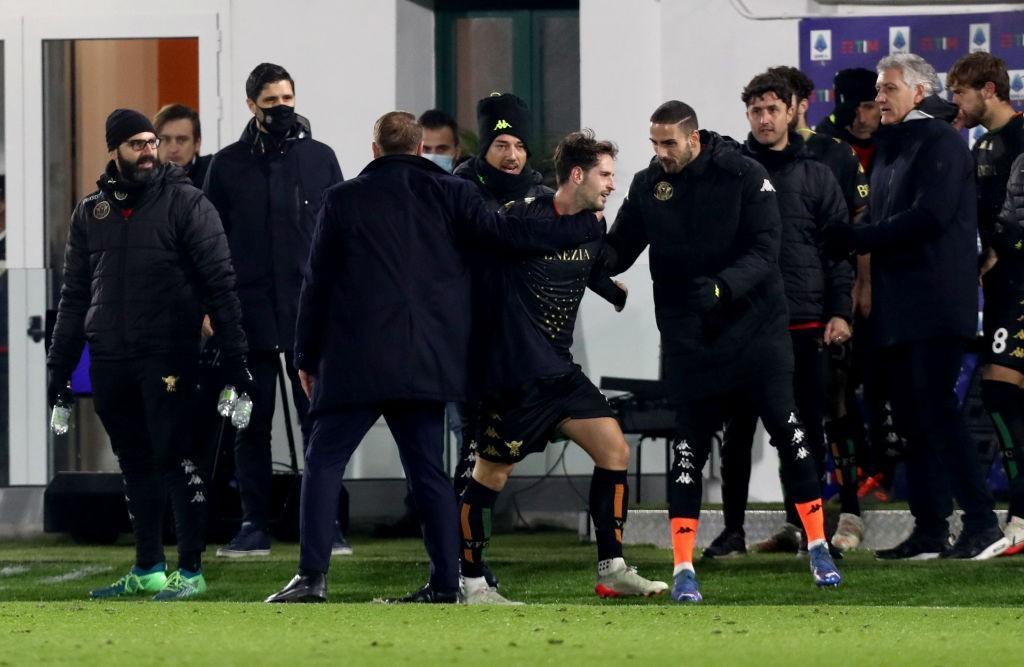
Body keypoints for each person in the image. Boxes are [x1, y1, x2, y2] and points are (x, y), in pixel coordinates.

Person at [264, 111, 605, 604]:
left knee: (323, 461)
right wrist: (579, 232)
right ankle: (447, 581)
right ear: (422, 148)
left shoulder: (343, 199)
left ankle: (311, 578)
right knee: (427, 471)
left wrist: (305, 355)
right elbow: (510, 239)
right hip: (425, 360)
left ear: (376, 149)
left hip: (354, 359)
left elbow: (315, 283)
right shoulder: (454, 194)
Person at [605, 101, 841, 603]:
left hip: (757, 330)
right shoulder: (651, 185)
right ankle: (684, 566)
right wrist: (581, 254)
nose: (661, 153)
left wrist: (722, 289)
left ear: (693, 139)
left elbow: (766, 248)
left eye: (669, 143)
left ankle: (818, 543)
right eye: (655, 144)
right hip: (691, 338)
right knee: (687, 444)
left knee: (788, 426)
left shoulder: (743, 173)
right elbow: (621, 246)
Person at [47, 109, 251, 600]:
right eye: (137, 143)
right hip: (111, 357)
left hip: (169, 354)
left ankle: (192, 570)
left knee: (177, 457)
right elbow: (75, 296)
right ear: (114, 149)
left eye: (151, 142)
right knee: (134, 460)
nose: (148, 151)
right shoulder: (90, 211)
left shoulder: (186, 202)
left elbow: (221, 283)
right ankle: (148, 567)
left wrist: (236, 358)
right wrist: (60, 370)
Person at [458, 130, 668, 604]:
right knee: (490, 475)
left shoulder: (593, 226)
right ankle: (470, 581)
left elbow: (590, 264)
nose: (611, 184)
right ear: (578, 174)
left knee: (614, 450)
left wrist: (612, 291)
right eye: (605, 174)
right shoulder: (521, 219)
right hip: (515, 376)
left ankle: (612, 568)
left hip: (560, 372)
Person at [824, 53, 1007, 560]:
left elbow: (928, 217)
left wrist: (856, 237)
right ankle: (930, 527)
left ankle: (982, 522)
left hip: (936, 303)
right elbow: (886, 218)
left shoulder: (944, 142)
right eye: (879, 90)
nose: (878, 98)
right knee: (909, 418)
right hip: (897, 307)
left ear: (919, 94)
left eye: (888, 89)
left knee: (938, 412)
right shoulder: (892, 147)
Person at [704, 73, 853, 560]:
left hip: (804, 322)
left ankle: (808, 531)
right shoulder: (730, 173)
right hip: (743, 324)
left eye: (773, 109)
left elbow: (837, 252)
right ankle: (731, 534)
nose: (765, 119)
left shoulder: (818, 175)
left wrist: (839, 311)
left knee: (805, 430)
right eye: (756, 111)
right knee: (738, 433)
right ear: (747, 115)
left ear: (793, 111)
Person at [204, 63, 349, 557]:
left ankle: (326, 525)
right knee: (249, 421)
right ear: (251, 105)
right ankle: (253, 525)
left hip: (309, 313)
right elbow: (210, 242)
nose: (282, 108)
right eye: (271, 101)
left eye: (287, 97)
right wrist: (211, 307)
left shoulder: (320, 158)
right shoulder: (225, 166)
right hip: (246, 314)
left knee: (319, 421)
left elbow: (339, 236)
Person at [948, 52, 1024, 555]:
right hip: (1000, 288)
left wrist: (999, 245)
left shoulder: (1021, 136)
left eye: (962, 92)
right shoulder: (981, 144)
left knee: (999, 391)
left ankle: (1019, 513)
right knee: (1004, 395)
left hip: (1021, 283)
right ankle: (1018, 514)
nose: (957, 102)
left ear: (989, 90)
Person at [154, 104, 211, 188]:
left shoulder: (212, 173)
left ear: (197, 144)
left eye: (181, 140)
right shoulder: (144, 175)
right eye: (165, 139)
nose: (173, 149)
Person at [419, 109, 461, 173]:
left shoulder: (470, 181)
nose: (433, 158)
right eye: (425, 149)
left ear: (457, 152)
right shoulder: (400, 181)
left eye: (441, 150)